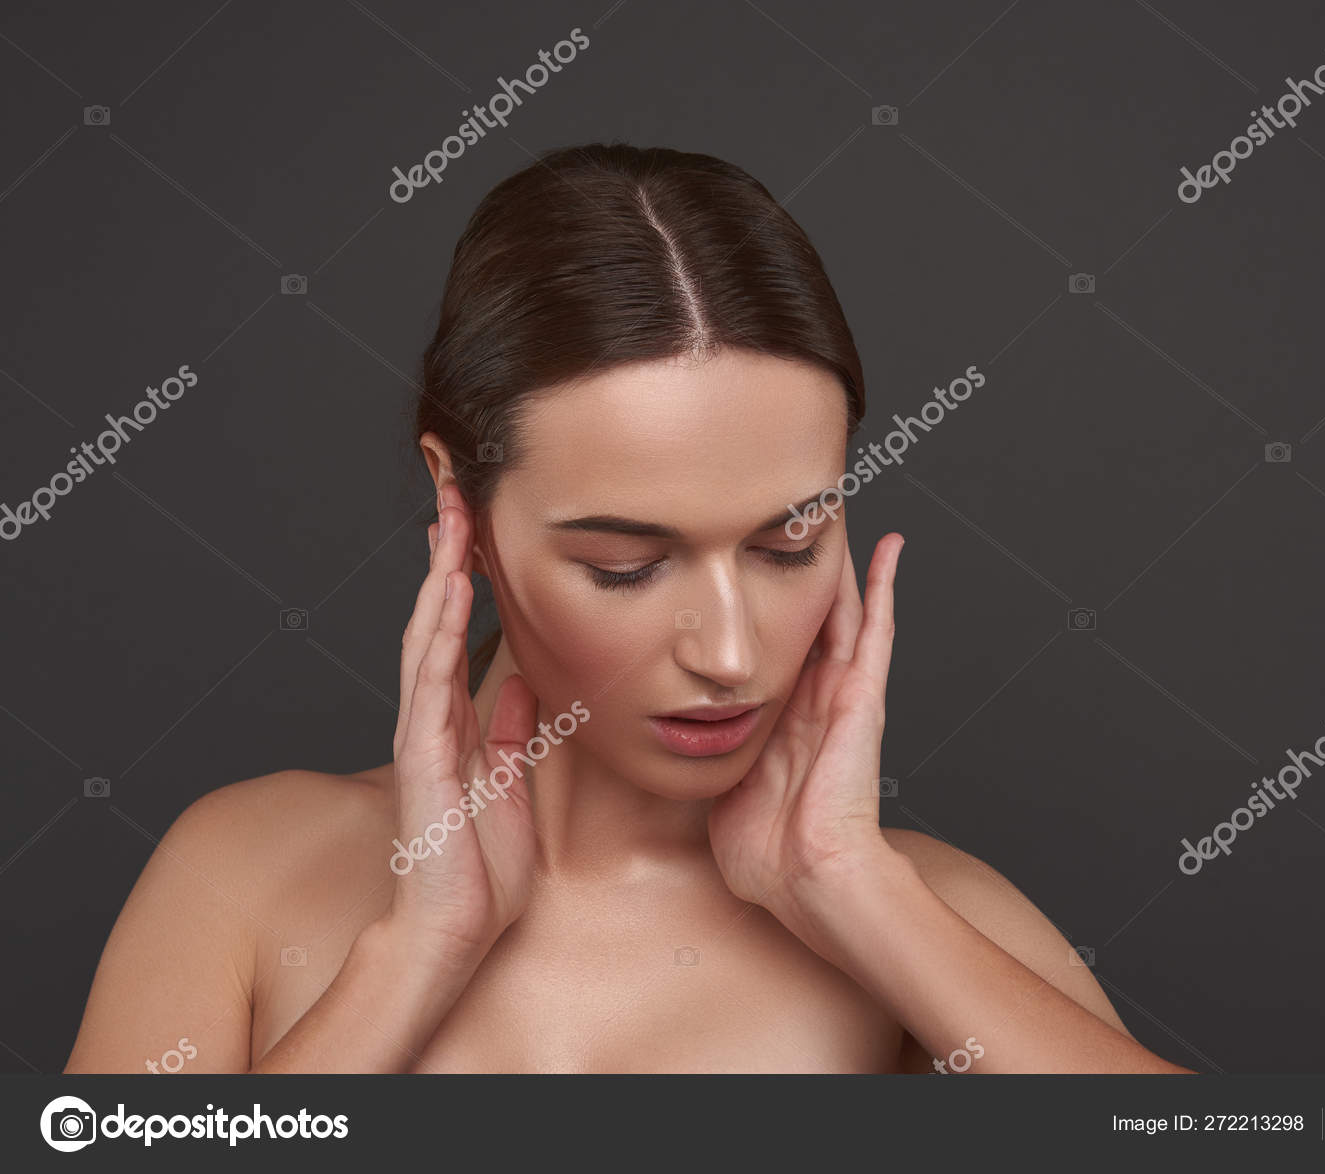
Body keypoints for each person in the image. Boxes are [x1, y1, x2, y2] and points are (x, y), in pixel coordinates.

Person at [64, 144, 1191, 1074]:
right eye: (622, 562)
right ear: (459, 506)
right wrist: (412, 959)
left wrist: (859, 897)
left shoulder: (918, 915)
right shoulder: (247, 873)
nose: (732, 652)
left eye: (789, 543)